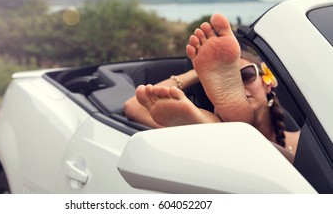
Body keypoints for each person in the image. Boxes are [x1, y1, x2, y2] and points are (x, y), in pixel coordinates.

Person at [124, 13, 300, 159]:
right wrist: (197, 73)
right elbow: (134, 106)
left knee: (297, 160)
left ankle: (221, 131)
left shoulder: (303, 140)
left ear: (267, 84)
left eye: (246, 75)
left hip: (218, 146)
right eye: (233, 80)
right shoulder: (306, 141)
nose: (240, 86)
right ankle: (228, 132)